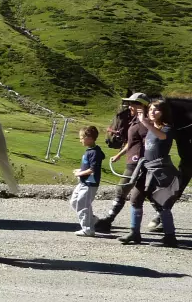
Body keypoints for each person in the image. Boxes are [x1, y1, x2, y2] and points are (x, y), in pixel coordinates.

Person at [122, 98, 180, 247]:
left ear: (163, 112)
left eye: (156, 110)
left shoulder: (167, 128)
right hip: (146, 168)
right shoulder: (150, 126)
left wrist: (145, 121)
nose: (152, 112)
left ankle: (170, 237)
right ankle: (134, 233)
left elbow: (162, 137)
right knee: (135, 198)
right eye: (151, 110)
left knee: (162, 203)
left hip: (160, 170)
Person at [95, 93, 152, 232]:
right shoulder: (135, 121)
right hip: (133, 160)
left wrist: (145, 159)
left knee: (121, 189)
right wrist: (119, 155)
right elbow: (131, 142)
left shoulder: (145, 123)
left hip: (138, 162)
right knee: (147, 193)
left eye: (133, 104)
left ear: (142, 106)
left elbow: (150, 142)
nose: (130, 107)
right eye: (130, 104)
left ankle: (108, 220)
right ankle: (162, 221)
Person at [71, 125, 104, 237]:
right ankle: (92, 219)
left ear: (89, 138)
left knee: (83, 204)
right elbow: (88, 167)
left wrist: (79, 173)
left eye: (82, 138)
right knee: (74, 201)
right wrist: (80, 170)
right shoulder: (90, 151)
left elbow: (93, 169)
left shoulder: (94, 152)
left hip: (90, 183)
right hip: (84, 182)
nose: (80, 140)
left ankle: (87, 229)